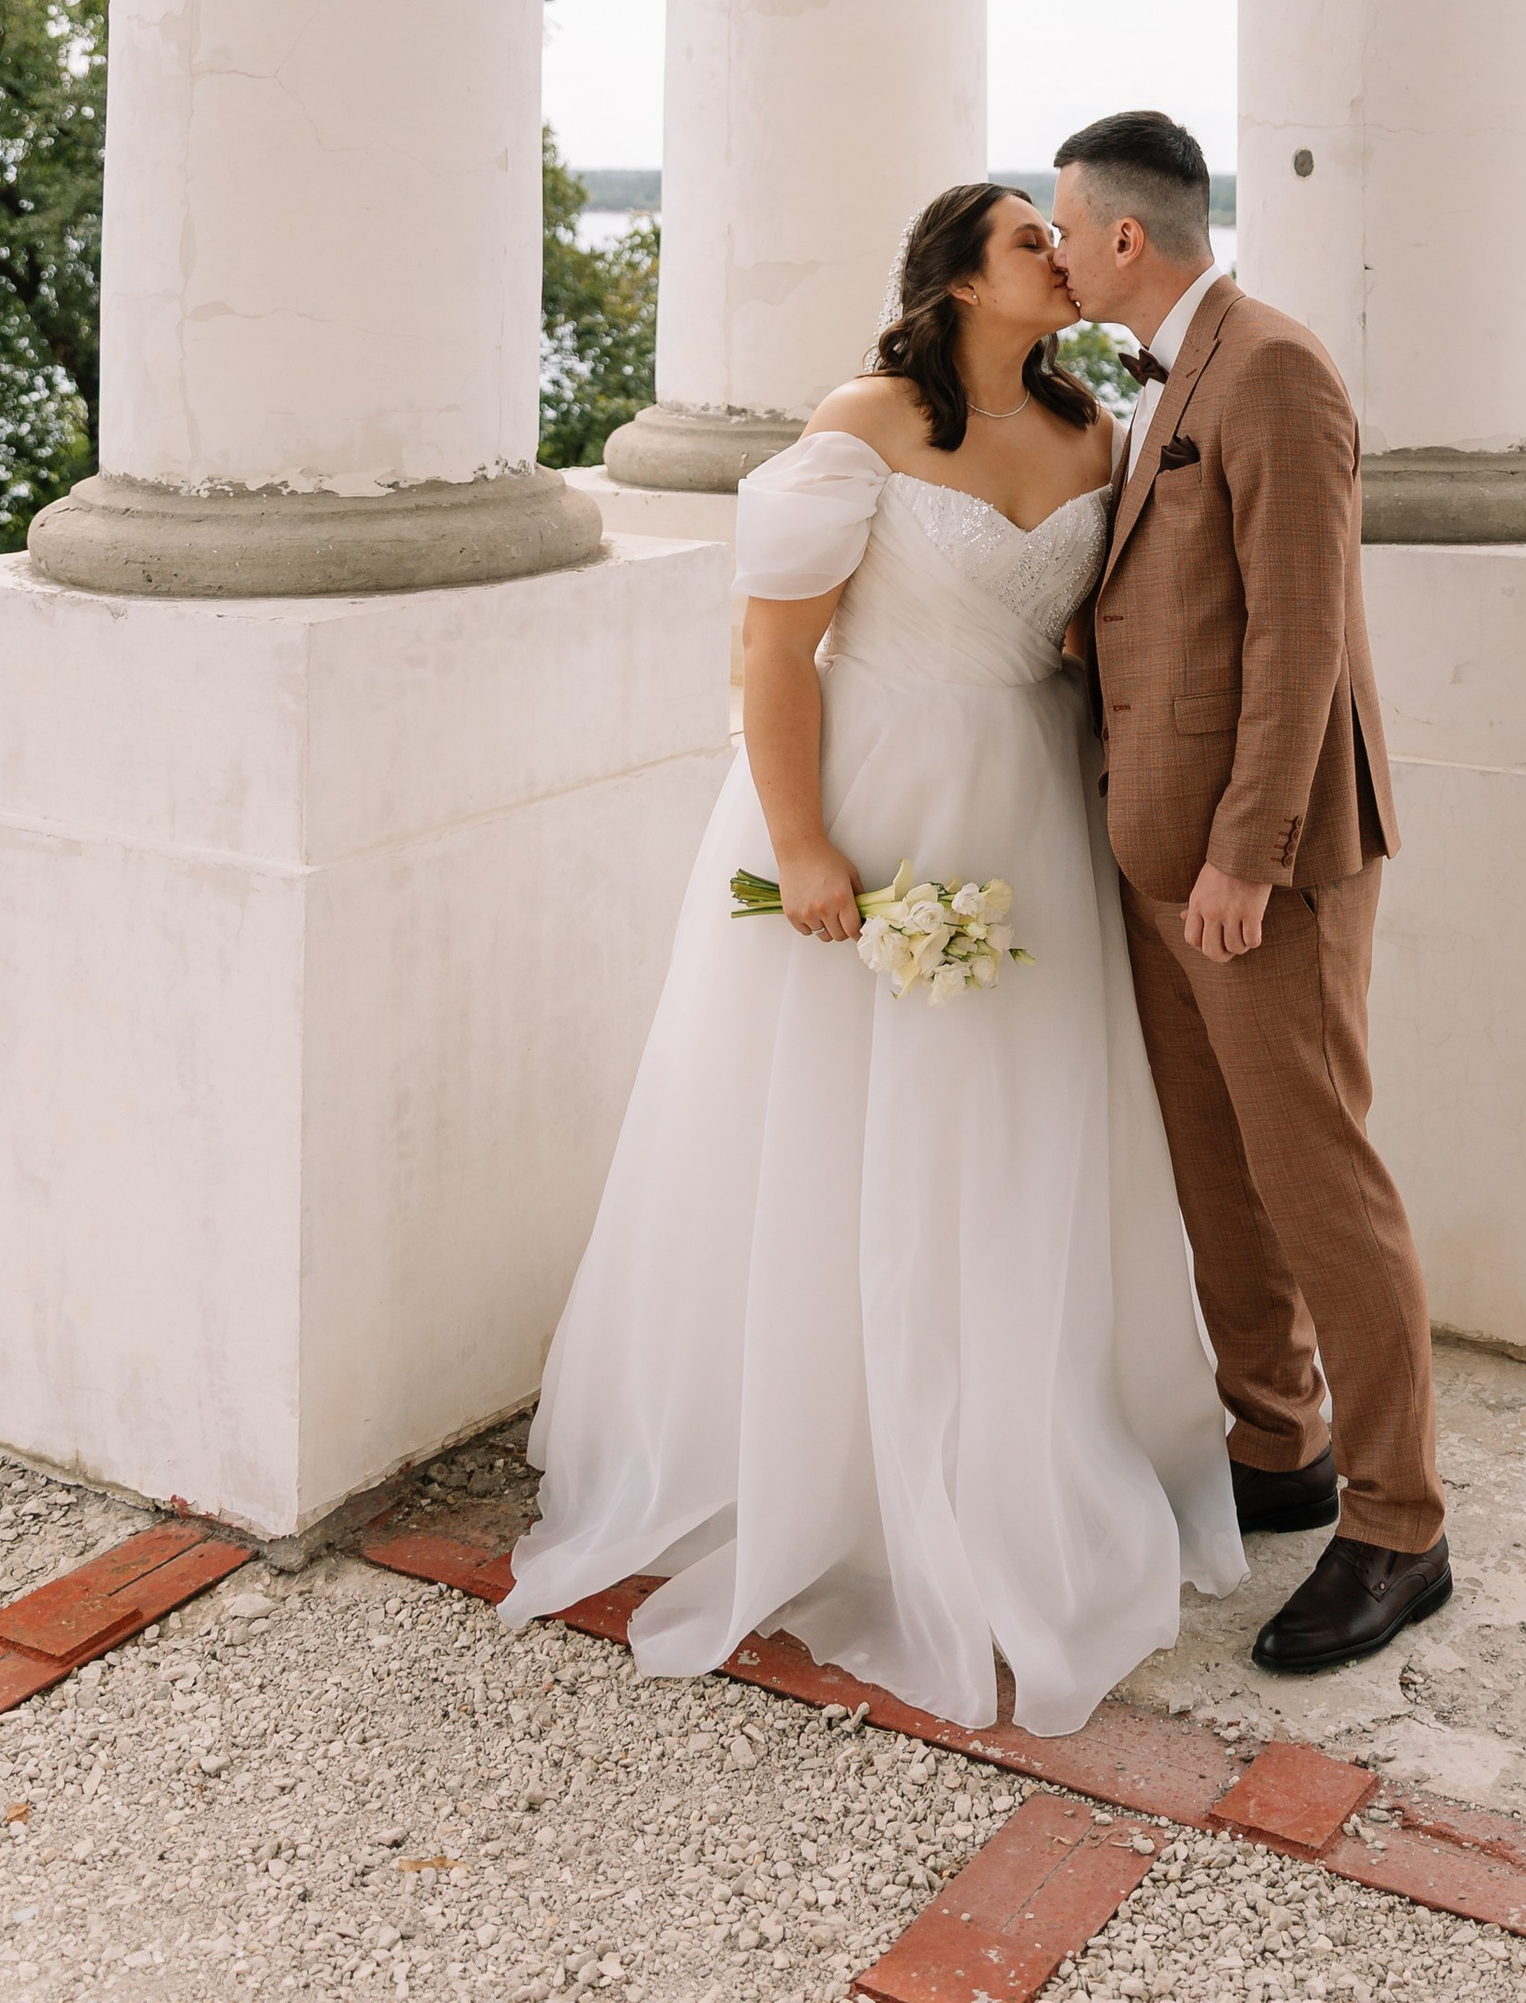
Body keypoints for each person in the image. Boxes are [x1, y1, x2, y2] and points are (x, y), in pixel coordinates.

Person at [500, 183, 1244, 1735]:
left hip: (1033, 803)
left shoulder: (1096, 428)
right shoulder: (865, 423)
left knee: (1021, 1118)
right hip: (874, 788)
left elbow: (1100, 636)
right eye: (1031, 238)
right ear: (960, 280)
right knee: (837, 1120)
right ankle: (829, 1465)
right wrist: (806, 847)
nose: (1062, 254)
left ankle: (1020, 1443)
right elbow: (774, 646)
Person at [1049, 111, 1450, 1675]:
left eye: (1062, 227)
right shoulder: (1153, 380)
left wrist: (1247, 853)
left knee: (1318, 1178)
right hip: (1155, 845)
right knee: (1218, 1173)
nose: (1055, 251)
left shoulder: (1274, 368)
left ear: (1124, 236)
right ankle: (1278, 1444)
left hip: (1258, 863)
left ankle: (1401, 1526)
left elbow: (1302, 634)